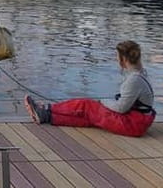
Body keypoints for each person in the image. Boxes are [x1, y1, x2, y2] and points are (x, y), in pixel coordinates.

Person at [24, 40, 156, 137]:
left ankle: (48, 109)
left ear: (123, 59)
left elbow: (121, 108)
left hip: (132, 124)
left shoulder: (134, 80)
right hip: (138, 123)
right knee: (91, 118)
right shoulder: (141, 73)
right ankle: (46, 116)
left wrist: (103, 102)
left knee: (86, 106)